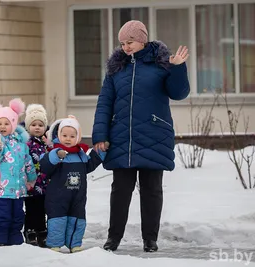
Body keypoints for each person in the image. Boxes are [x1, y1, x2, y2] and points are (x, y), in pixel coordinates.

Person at [92, 20, 190, 252]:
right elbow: (105, 103)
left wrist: (177, 67)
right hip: (122, 137)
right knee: (120, 190)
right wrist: (100, 135)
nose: (126, 47)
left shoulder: (161, 64)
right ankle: (113, 238)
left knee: (152, 190)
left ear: (142, 40)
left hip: (154, 135)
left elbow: (179, 93)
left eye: (130, 42)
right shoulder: (116, 70)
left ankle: (150, 239)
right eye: (123, 43)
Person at [40, 115, 105, 253]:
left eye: (71, 136)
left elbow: (89, 164)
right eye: (64, 135)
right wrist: (56, 156)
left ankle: (74, 243)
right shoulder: (55, 152)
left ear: (77, 137)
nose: (68, 139)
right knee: (58, 219)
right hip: (57, 196)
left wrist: (100, 152)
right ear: (59, 135)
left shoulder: (81, 154)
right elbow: (45, 167)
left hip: (77, 195)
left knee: (77, 219)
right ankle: (55, 244)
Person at [0, 98, 37, 247]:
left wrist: (31, 178)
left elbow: (28, 163)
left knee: (17, 216)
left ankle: (14, 241)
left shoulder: (21, 144)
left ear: (13, 124)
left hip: (18, 190)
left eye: (6, 123)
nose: (2, 127)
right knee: (1, 217)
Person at [23, 104, 49, 247]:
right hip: (31, 184)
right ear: (28, 126)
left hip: (45, 183)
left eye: (40, 124)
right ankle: (30, 231)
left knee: (42, 208)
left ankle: (41, 230)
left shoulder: (46, 144)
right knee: (31, 208)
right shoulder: (26, 143)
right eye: (34, 124)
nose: (37, 127)